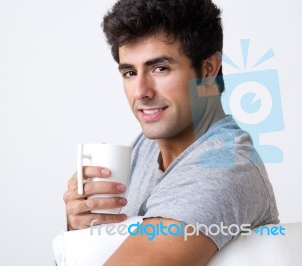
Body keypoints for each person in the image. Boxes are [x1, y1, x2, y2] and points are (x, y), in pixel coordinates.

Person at [63, 0, 279, 265]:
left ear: (209, 69)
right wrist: (79, 227)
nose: (141, 91)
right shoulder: (145, 147)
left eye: (160, 68)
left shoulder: (224, 164)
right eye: (130, 72)